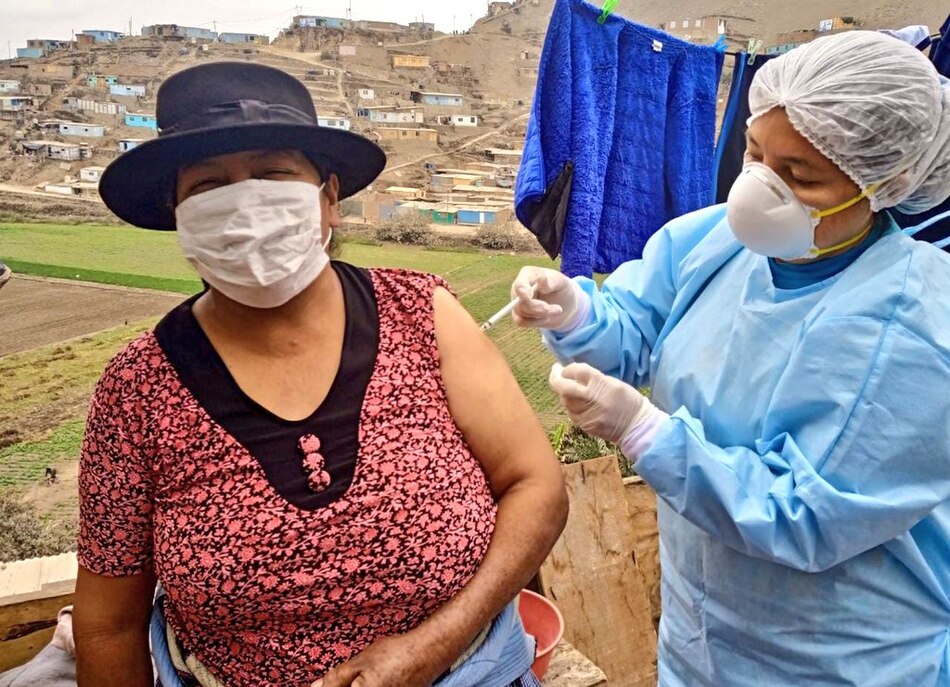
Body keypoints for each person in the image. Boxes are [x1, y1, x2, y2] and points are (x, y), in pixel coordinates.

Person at [73, 62, 568, 687]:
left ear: (328, 198)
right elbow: (108, 625)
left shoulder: (422, 313)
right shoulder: (137, 389)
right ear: (179, 214)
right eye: (209, 184)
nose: (246, 203)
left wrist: (434, 644)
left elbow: (537, 487)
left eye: (273, 172)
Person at [512, 31, 950, 686]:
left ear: (887, 182)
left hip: (840, 657)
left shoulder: (915, 326)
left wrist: (645, 431)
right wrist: (575, 313)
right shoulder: (714, 240)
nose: (760, 188)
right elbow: (638, 328)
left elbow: (803, 516)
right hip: (702, 638)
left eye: (800, 176)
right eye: (754, 152)